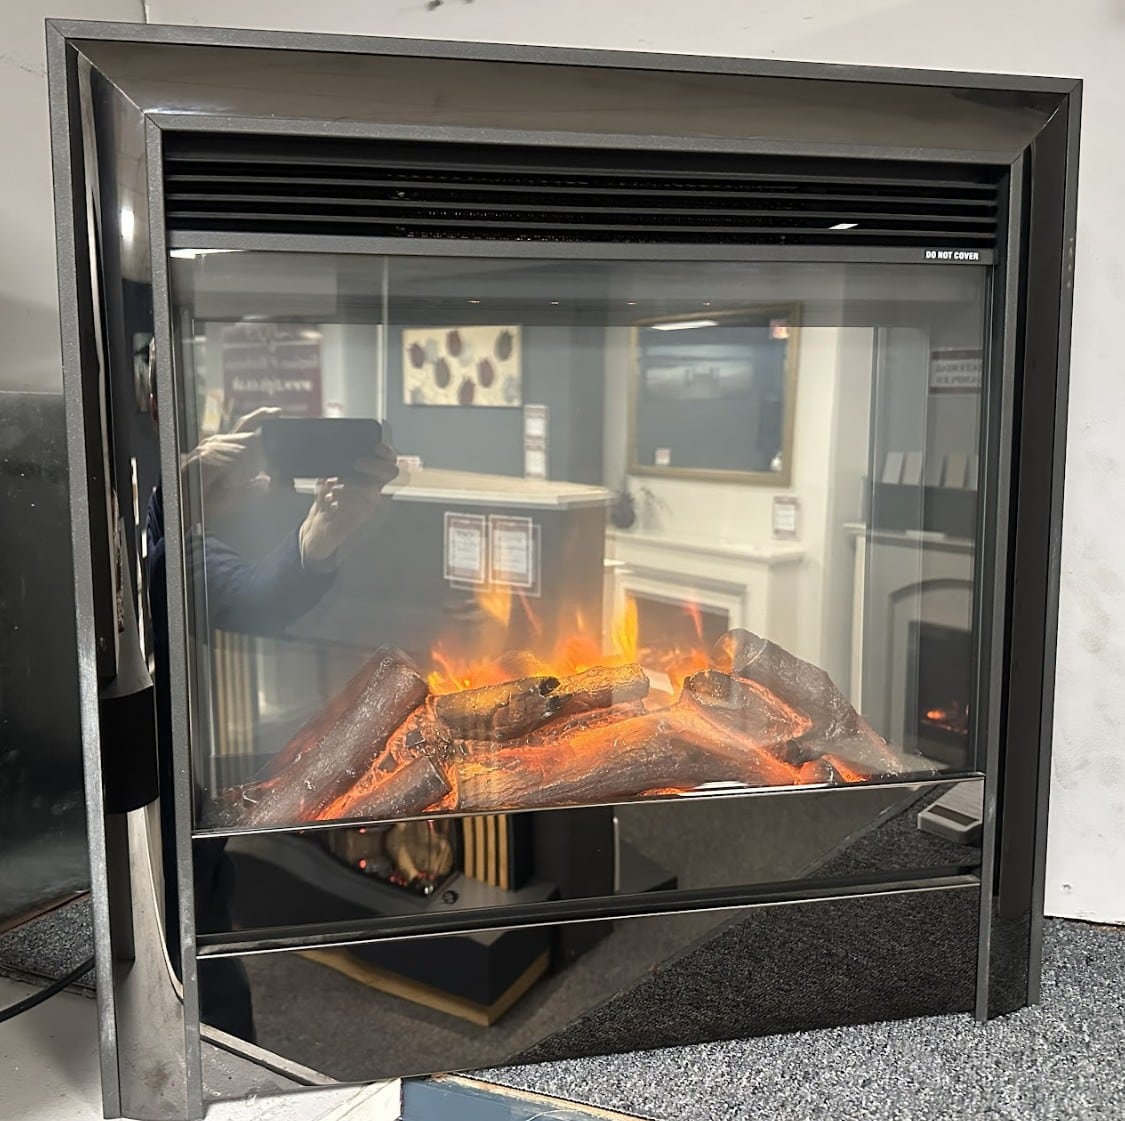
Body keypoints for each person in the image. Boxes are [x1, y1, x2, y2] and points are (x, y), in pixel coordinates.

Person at [145, 343, 398, 1038]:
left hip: (176, 826)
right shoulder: (150, 509)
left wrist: (320, 532)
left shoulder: (175, 517)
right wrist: (182, 492)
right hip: (124, 831)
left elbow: (242, 588)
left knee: (209, 987)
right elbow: (172, 578)